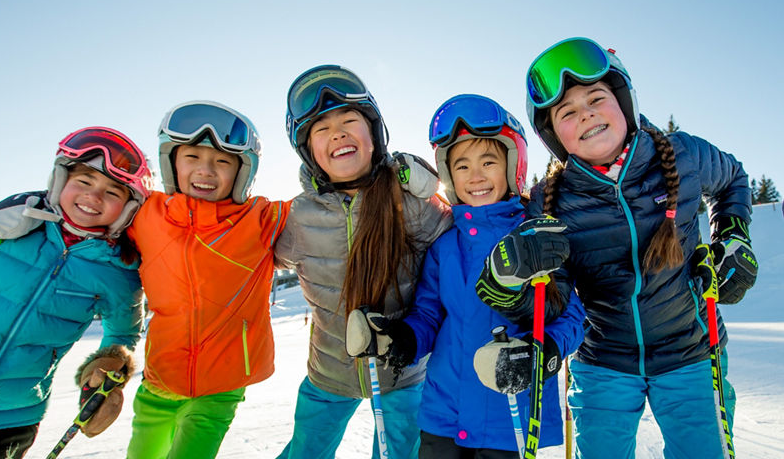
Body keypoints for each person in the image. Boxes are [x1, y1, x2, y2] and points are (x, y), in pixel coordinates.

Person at [476, 37, 758, 458]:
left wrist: (733, 235)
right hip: (604, 363)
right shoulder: (551, 202)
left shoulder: (684, 156)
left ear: (624, 103)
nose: (585, 113)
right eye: (567, 112)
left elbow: (734, 177)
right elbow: (551, 302)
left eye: (596, 98)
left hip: (692, 351)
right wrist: (506, 284)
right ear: (556, 135)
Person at [348, 94, 585, 458]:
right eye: (461, 166)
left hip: (510, 418)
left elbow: (572, 317)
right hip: (443, 415)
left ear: (512, 165)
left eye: (488, 161)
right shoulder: (446, 248)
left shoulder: (537, 240)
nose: (475, 176)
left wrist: (542, 355)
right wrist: (402, 340)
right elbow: (428, 315)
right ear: (447, 175)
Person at [0, 127, 150, 458]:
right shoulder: (8, 230)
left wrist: (107, 371)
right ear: (60, 181)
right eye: (84, 182)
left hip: (10, 419)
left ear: (129, 208)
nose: (94, 196)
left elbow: (122, 335)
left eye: (113, 192)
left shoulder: (120, 271)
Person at [274, 65, 452, 459]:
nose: (337, 132)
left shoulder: (412, 205)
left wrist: (428, 178)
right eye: (321, 129)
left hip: (402, 376)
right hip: (328, 375)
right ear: (309, 152)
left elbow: (466, 235)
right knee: (306, 450)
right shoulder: (298, 218)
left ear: (374, 136)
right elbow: (249, 255)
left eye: (349, 120)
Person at [124, 100, 290, 458]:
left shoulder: (260, 219)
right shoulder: (145, 215)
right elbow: (94, 219)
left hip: (221, 387)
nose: (206, 170)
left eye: (222, 161)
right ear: (172, 162)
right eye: (193, 157)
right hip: (158, 381)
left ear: (242, 172)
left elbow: (324, 213)